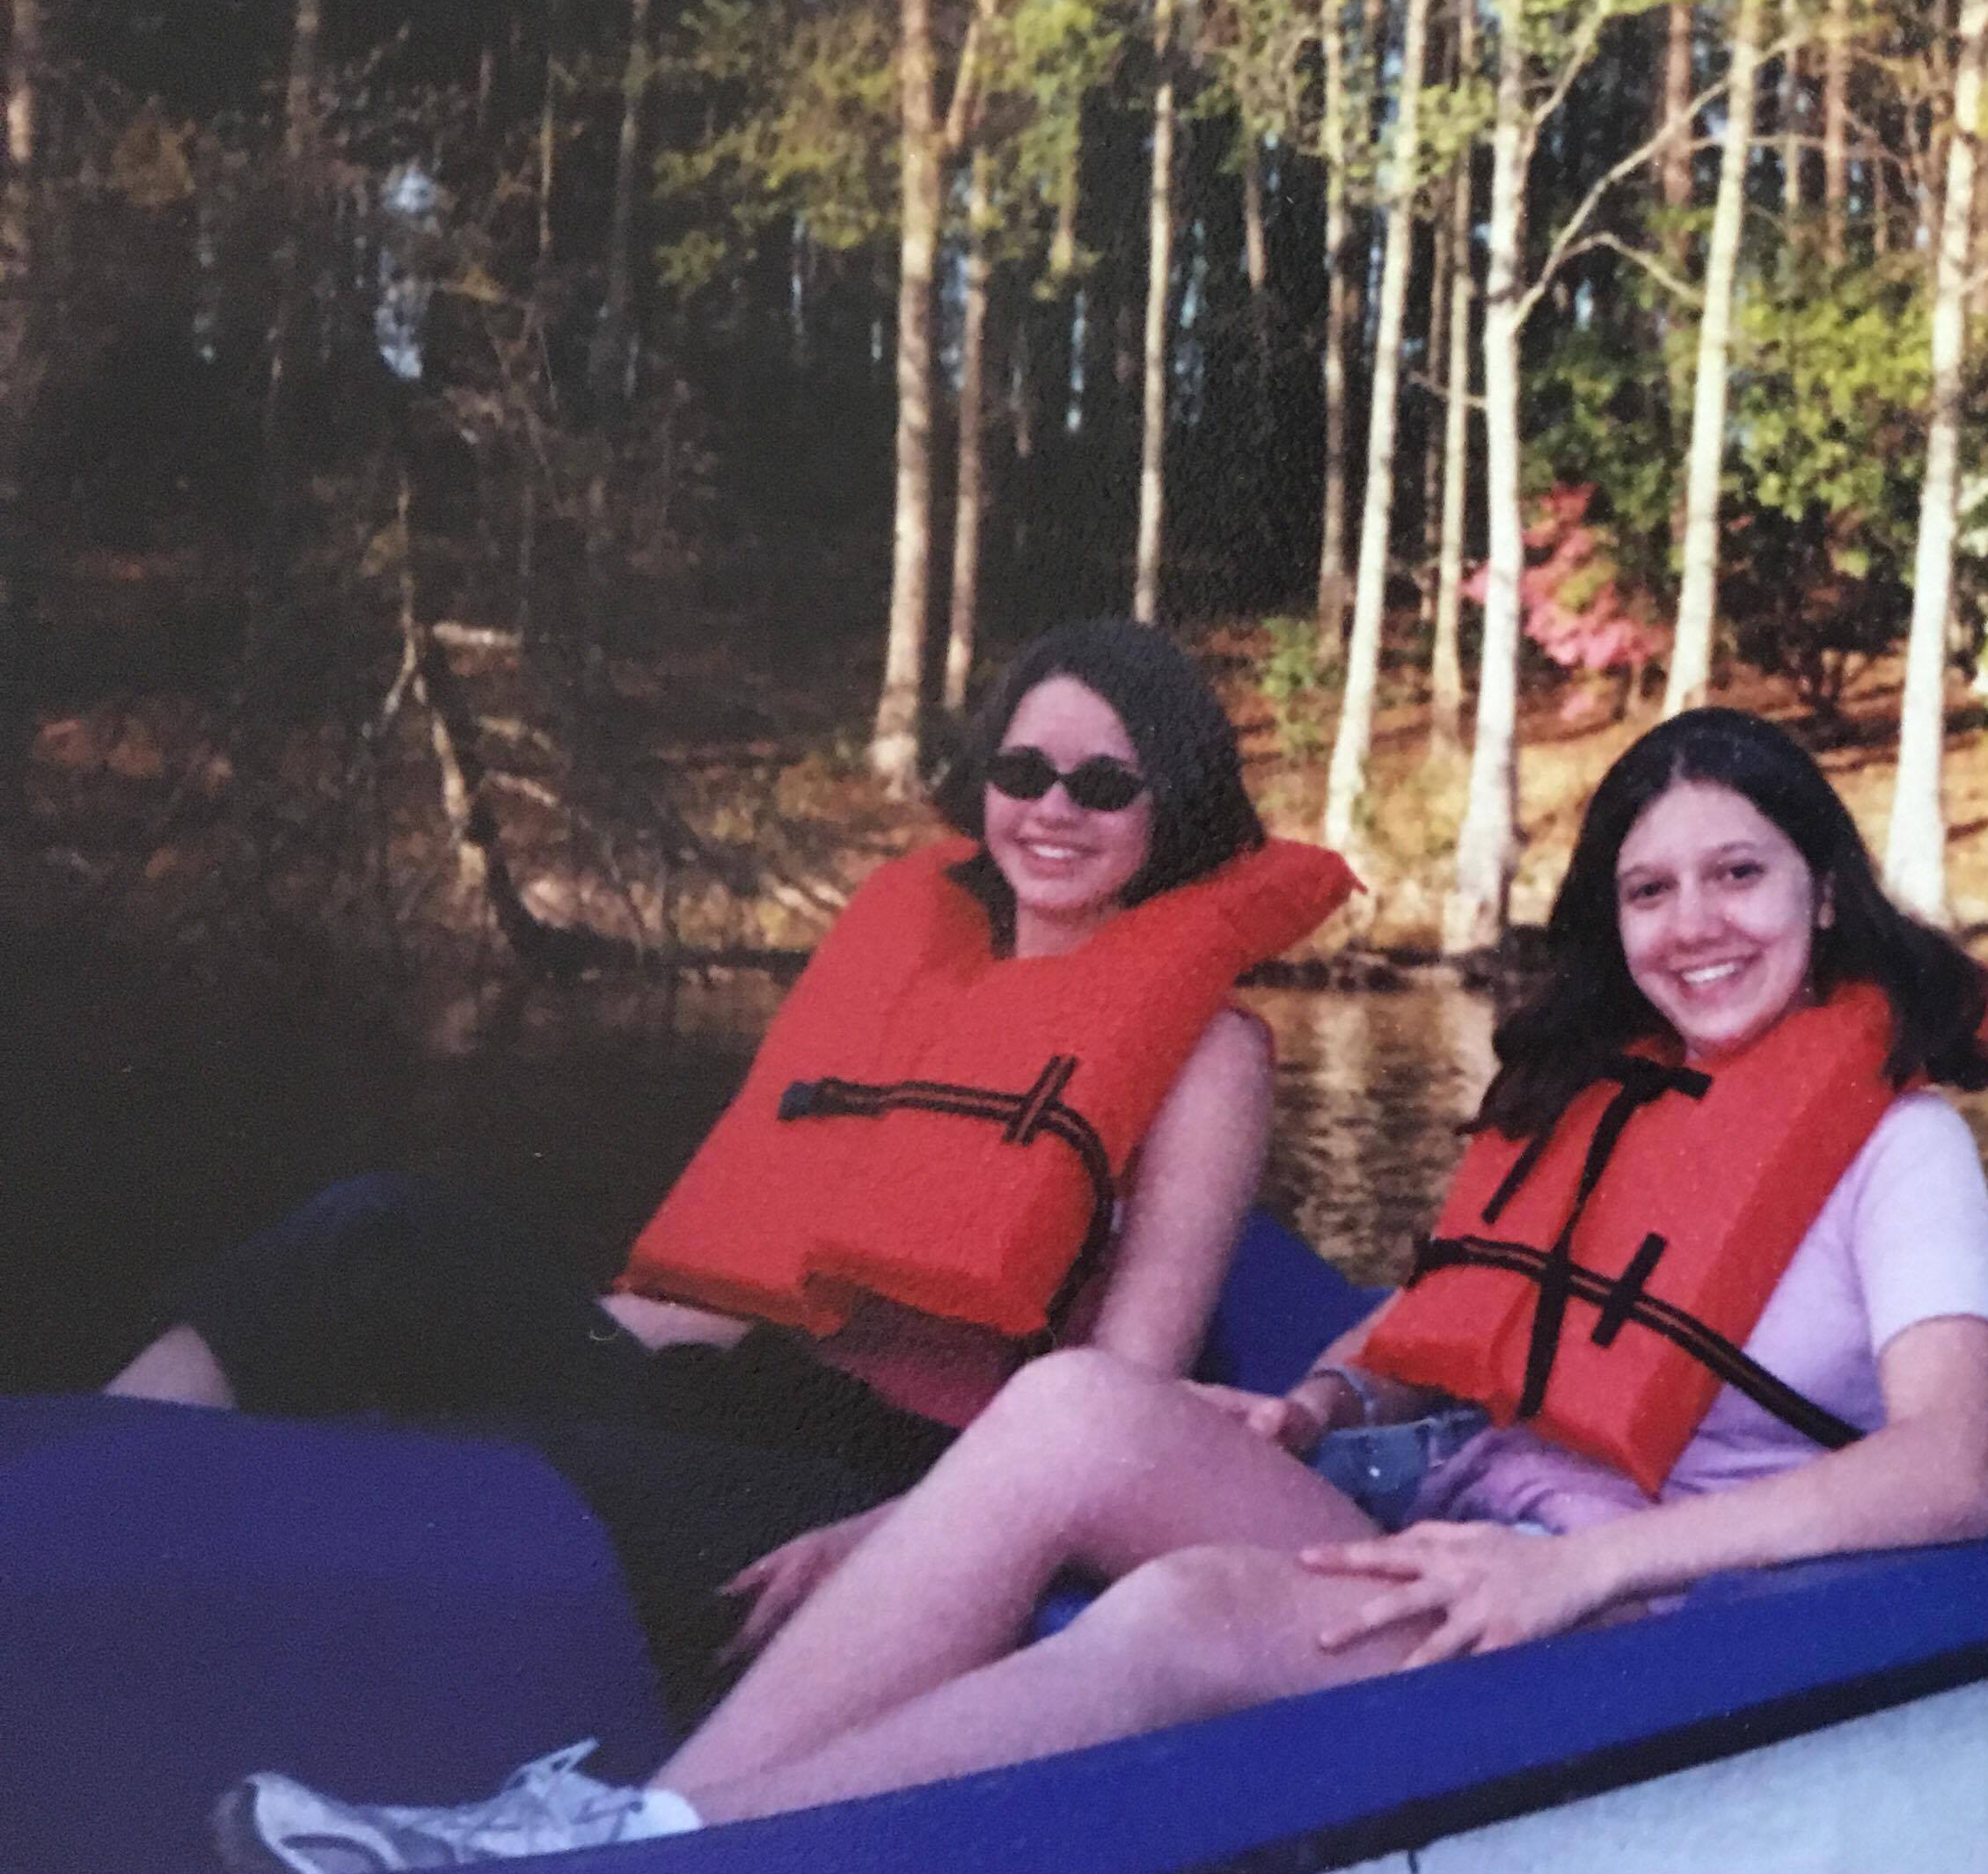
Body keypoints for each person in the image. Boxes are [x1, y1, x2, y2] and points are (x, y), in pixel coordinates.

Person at [219, 706, 1988, 1874]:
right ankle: (630, 1823)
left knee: (1179, 1615)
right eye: (1650, 891)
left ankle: (636, 1869)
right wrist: (1321, 1406)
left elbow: (1950, 1474)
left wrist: (1579, 1566)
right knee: (1080, 1401)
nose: (1695, 924)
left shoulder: (1903, 1156)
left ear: (1822, 890)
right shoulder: (1605, 1106)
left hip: (1629, 1609)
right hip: (1445, 1530)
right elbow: (1458, 1322)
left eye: (1739, 874)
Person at [114, 619, 1329, 1717]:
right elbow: (720, 1282)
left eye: (1106, 785)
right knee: (381, 1235)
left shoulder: (1207, 1053)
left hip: (912, 1480)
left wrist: (901, 1541)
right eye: (1025, 772)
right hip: (741, 1392)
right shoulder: (911, 976)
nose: (1054, 810)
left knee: (524, 1466)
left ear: (1173, 809)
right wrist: (526, 1335)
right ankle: (74, 1477)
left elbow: (1123, 1397)